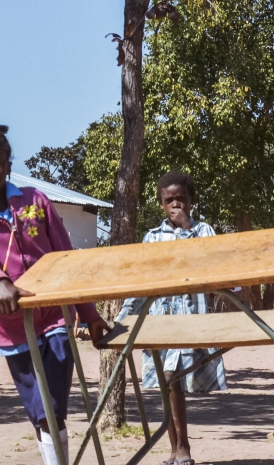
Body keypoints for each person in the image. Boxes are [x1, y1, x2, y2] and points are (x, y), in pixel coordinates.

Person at [0, 125, 110, 465]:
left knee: (51, 406)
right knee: (41, 411)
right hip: (12, 327)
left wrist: (90, 314)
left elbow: (66, 257)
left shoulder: (35, 201)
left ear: (8, 164)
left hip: (55, 317)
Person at [115, 171, 227, 465]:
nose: (176, 205)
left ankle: (183, 447)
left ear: (191, 200)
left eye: (181, 199)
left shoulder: (204, 231)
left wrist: (186, 228)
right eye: (169, 200)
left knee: (171, 377)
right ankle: (177, 448)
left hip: (190, 320)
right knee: (168, 382)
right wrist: (123, 322)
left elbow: (212, 263)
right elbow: (142, 284)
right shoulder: (151, 237)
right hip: (161, 321)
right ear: (161, 204)